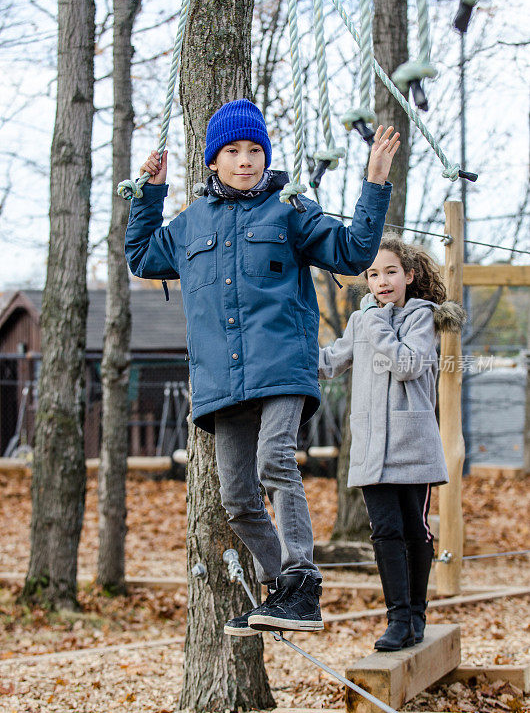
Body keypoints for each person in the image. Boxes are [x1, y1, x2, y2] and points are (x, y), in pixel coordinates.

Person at [125, 98, 399, 636]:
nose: (245, 160)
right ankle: (286, 592)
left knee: (275, 460)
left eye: (255, 149)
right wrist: (149, 193)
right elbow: (141, 257)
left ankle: (303, 576)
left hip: (282, 367)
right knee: (236, 499)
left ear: (265, 155)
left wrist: (374, 185)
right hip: (221, 383)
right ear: (213, 161)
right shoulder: (190, 223)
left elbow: (353, 252)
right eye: (233, 150)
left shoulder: (289, 208)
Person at [319, 232, 466, 650]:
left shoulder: (422, 316)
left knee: (413, 530)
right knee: (384, 531)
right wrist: (284, 356)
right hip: (371, 447)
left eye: (390, 272)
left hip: (411, 444)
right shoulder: (361, 320)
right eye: (373, 273)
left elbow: (405, 364)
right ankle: (398, 620)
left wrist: (378, 321)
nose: (382, 280)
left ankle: (416, 614)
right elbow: (331, 363)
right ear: (366, 279)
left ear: (409, 275)